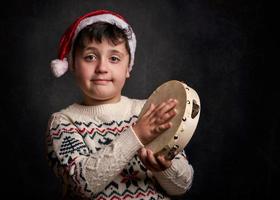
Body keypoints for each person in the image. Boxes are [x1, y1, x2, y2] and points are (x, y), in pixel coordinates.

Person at [46, 9, 194, 200]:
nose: (102, 68)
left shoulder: (149, 111)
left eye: (114, 58)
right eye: (90, 57)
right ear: (73, 64)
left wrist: (165, 168)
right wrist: (137, 135)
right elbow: (82, 185)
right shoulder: (61, 123)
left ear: (128, 67)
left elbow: (183, 185)